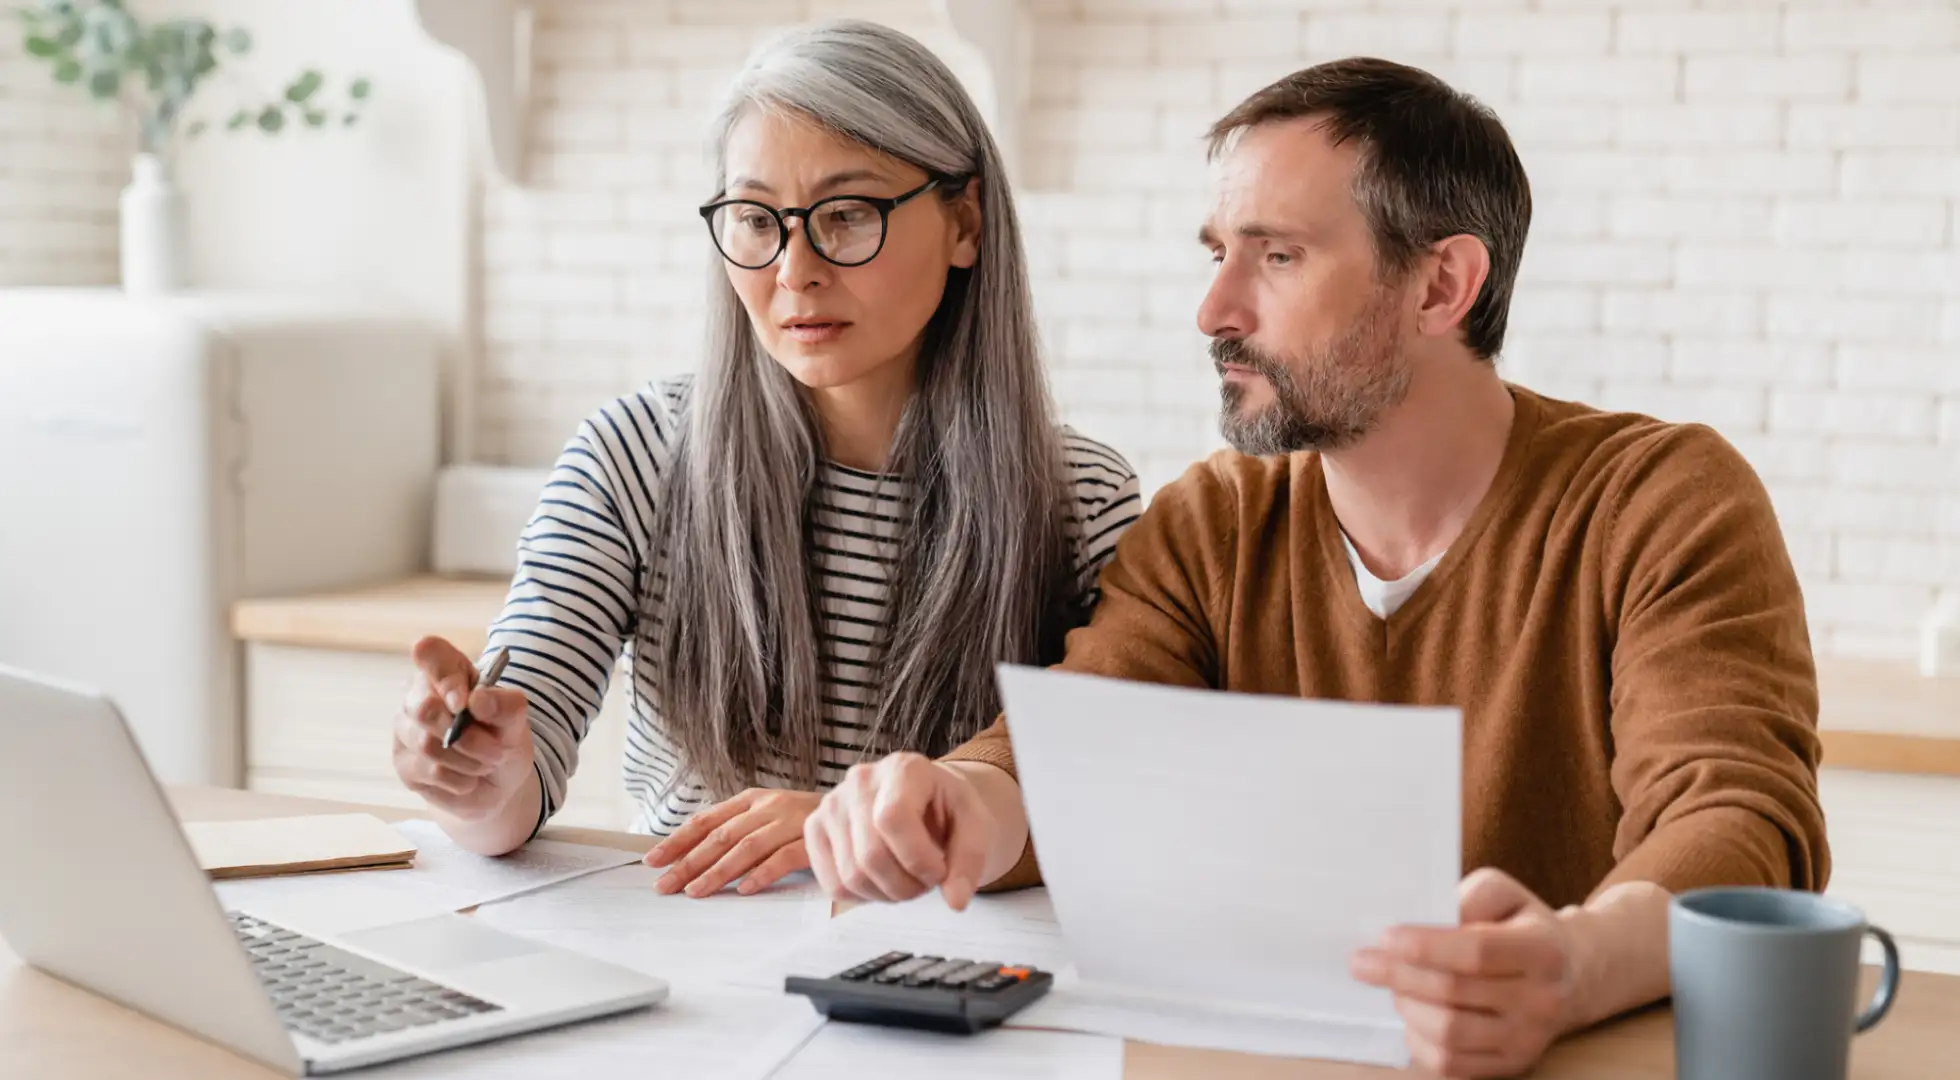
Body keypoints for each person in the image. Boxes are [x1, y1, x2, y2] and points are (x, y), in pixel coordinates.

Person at [803, 57, 1829, 1079]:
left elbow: (1739, 823)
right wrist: (952, 802)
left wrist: (1572, 964)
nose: (1213, 310)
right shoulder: (1214, 520)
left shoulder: (1656, 500)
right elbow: (1076, 748)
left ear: (1442, 285)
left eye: (1277, 257)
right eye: (1216, 254)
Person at [388, 19, 1140, 901]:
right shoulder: (637, 452)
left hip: (952, 974)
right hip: (697, 958)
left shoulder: (1081, 499)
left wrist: (843, 833)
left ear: (965, 221)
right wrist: (474, 771)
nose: (795, 270)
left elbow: (1106, 802)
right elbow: (516, 781)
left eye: (849, 215)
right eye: (755, 220)